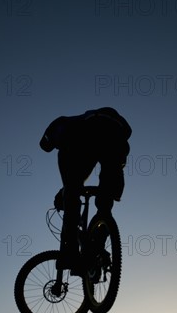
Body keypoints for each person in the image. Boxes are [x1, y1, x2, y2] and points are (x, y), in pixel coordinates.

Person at [40, 107, 132, 270]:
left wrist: (67, 190)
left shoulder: (63, 125)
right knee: (106, 199)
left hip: (86, 139)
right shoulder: (114, 125)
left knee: (71, 194)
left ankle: (70, 252)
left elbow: (47, 146)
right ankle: (97, 246)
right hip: (116, 142)